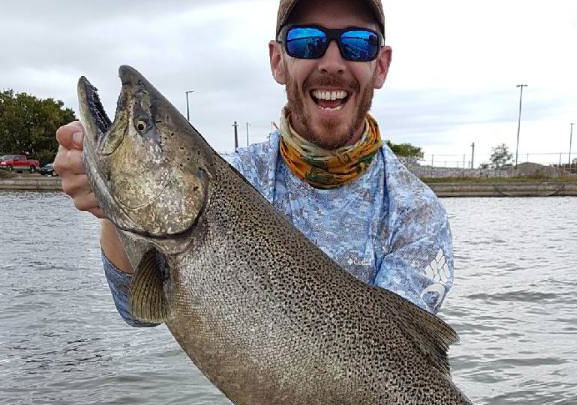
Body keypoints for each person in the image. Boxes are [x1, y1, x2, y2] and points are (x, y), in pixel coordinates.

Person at [54, 0, 455, 326]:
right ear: (277, 60)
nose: (332, 62)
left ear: (380, 65)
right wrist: (107, 204)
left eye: (356, 44)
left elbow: (399, 356)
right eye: (306, 41)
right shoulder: (234, 179)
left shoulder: (417, 214)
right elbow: (137, 312)